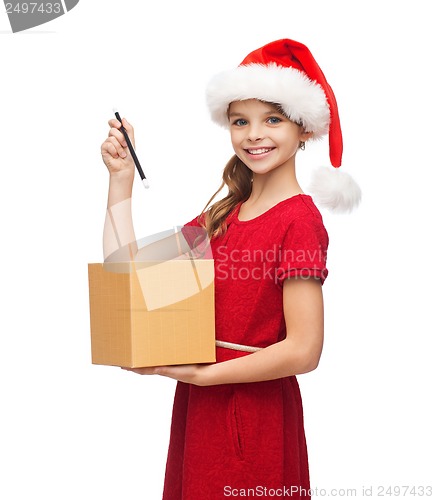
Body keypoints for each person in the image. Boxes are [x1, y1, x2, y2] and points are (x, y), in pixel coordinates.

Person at [100, 39, 360, 499]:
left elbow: (304, 350)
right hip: (201, 408)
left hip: (252, 419)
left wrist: (202, 375)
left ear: (303, 130)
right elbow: (130, 275)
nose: (253, 134)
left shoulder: (298, 220)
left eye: (272, 119)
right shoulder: (223, 215)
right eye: (241, 121)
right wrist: (120, 182)